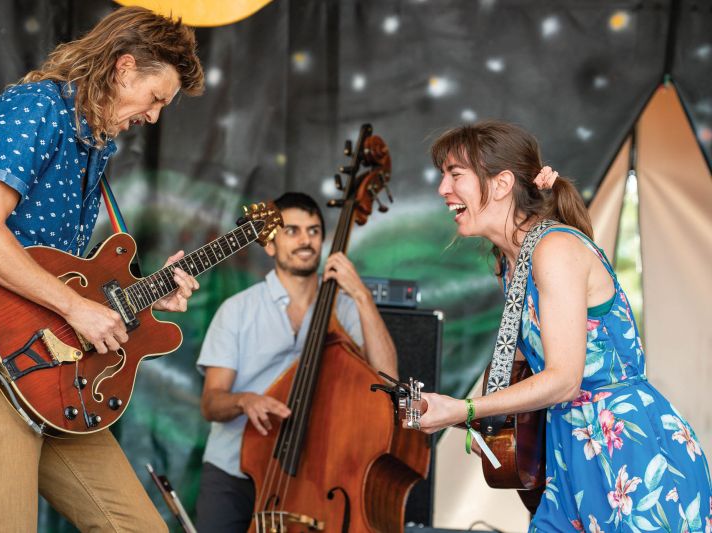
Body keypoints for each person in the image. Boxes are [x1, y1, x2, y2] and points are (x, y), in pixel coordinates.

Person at [0, 7, 204, 531]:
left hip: (56, 373)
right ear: (124, 67)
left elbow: (60, 275)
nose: (155, 116)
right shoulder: (34, 108)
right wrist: (77, 308)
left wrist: (144, 295)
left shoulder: (93, 146)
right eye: (156, 98)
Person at [417, 120, 712, 531]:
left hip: (629, 450)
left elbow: (564, 380)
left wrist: (464, 410)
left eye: (455, 175)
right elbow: (523, 365)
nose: (443, 189)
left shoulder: (554, 248)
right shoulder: (511, 263)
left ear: (501, 184)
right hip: (569, 451)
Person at [194, 192, 398, 532]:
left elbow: (388, 377)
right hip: (233, 470)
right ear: (270, 245)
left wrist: (361, 295)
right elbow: (211, 402)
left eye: (314, 230)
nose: (305, 240)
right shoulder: (237, 310)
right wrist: (245, 400)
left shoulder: (344, 307)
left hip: (309, 473)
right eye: (292, 230)